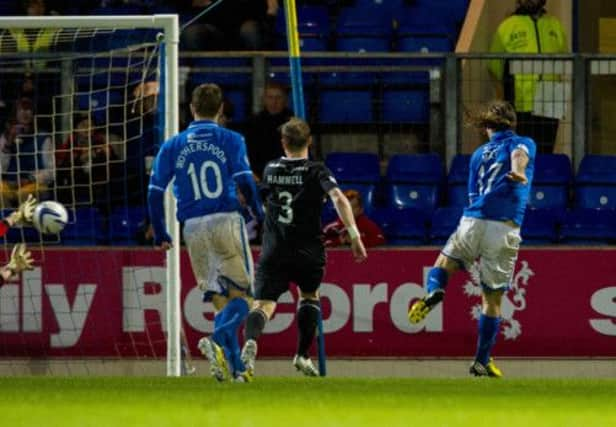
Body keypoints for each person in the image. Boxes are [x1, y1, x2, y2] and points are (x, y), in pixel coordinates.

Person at [408, 100, 535, 378]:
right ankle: (481, 361)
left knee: (443, 264)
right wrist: (519, 172)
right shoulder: (523, 142)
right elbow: (519, 156)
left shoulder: (478, 154)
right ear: (513, 124)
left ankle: (434, 290)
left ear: (486, 127)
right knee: (491, 300)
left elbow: (472, 194)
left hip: (473, 220)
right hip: (504, 227)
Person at [147, 83, 264, 382]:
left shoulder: (172, 145)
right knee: (245, 298)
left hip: (192, 228)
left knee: (220, 300)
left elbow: (154, 192)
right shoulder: (231, 139)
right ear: (221, 109)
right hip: (225, 219)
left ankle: (236, 370)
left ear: (191, 109)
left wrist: (160, 232)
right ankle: (215, 339)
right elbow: (246, 182)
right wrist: (258, 213)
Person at [241, 117, 367, 378]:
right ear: (309, 141)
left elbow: (261, 198)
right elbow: (339, 198)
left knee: (263, 304)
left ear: (283, 142)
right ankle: (301, 354)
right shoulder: (316, 169)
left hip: (275, 246)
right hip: (308, 247)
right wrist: (354, 235)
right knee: (309, 296)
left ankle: (252, 341)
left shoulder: (271, 168)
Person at [488, 0, 568, 154]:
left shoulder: (555, 25)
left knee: (546, 152)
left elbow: (565, 60)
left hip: (552, 97)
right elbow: (493, 65)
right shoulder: (507, 26)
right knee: (522, 155)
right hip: (521, 100)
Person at [0, 97, 54, 207]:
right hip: (11, 183)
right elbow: (2, 168)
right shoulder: (5, 137)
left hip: (35, 183)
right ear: (15, 113)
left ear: (33, 114)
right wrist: (8, 144)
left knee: (24, 193)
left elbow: (51, 172)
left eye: (28, 110)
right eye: (21, 110)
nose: (25, 113)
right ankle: (7, 223)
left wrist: (29, 179)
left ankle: (25, 224)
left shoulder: (43, 138)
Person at [179, 0, 279, 51]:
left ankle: (258, 72)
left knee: (249, 30)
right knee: (192, 33)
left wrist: (271, 11)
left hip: (250, 26)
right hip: (216, 29)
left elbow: (271, 11)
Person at [245, 81, 293, 180]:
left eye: (278, 97)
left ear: (285, 100)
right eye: (270, 97)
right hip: (260, 175)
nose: (274, 102)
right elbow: (249, 152)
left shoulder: (293, 122)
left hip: (287, 176)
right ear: (264, 99)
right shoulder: (254, 123)